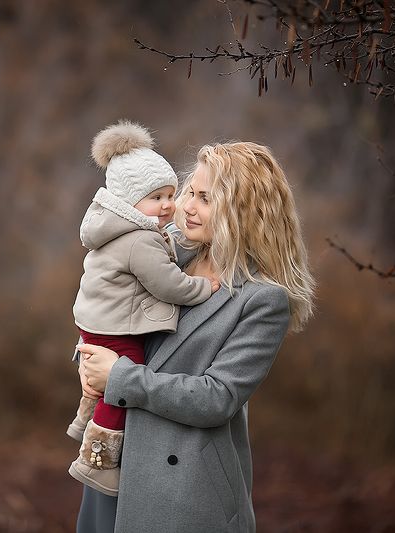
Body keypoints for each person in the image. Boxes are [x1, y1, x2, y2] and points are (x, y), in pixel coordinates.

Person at [75, 141, 316, 532]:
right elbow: (109, 312)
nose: (186, 205)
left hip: (184, 492)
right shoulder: (166, 253)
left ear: (243, 211)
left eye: (205, 198)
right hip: (116, 463)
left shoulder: (262, 300)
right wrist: (91, 361)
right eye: (190, 191)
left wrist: (118, 377)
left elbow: (216, 397)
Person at [67, 120, 220, 497]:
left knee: (101, 381)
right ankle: (96, 461)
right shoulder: (140, 241)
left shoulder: (117, 228)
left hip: (97, 323)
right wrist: (205, 287)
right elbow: (169, 284)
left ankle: (82, 419)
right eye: (157, 198)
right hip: (115, 329)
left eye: (171, 194)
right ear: (130, 201)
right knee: (120, 383)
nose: (170, 205)